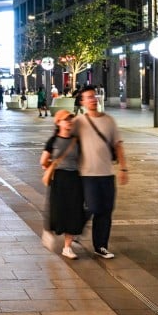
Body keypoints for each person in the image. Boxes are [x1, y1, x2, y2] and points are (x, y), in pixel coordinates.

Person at [74, 85, 128, 259]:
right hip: (87, 174)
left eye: (93, 96)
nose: (92, 99)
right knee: (93, 207)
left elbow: (117, 145)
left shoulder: (109, 120)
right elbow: (63, 136)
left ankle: (101, 246)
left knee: (106, 210)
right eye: (88, 97)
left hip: (106, 173)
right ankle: (75, 229)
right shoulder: (78, 122)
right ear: (82, 101)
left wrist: (123, 168)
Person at [40, 109, 88, 259]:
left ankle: (67, 247)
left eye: (70, 119)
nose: (69, 122)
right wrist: (52, 165)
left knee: (74, 211)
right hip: (59, 179)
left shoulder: (76, 140)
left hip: (74, 178)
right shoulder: (53, 141)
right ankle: (49, 231)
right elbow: (43, 161)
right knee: (57, 210)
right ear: (58, 122)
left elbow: (81, 160)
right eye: (65, 119)